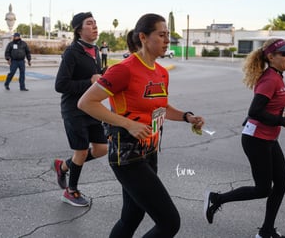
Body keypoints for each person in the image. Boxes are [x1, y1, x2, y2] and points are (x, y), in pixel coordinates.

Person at [77, 13, 205, 237]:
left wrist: (186, 117)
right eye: (162, 35)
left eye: (168, 36)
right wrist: (128, 124)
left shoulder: (161, 73)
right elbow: (86, 102)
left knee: (131, 216)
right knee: (169, 222)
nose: (167, 40)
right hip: (127, 154)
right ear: (144, 37)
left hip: (150, 150)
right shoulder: (124, 69)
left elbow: (160, 108)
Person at [204, 38, 285, 238]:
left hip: (267, 137)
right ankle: (216, 199)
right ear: (271, 57)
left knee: (281, 182)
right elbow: (255, 111)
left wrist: (283, 116)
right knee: (263, 188)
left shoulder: (277, 76)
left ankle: (266, 232)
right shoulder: (270, 78)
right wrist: (282, 122)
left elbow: (267, 108)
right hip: (256, 139)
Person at [52, 12, 108, 207]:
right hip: (73, 109)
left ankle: (64, 165)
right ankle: (71, 191)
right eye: (89, 23)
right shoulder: (71, 52)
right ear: (79, 29)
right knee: (82, 151)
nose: (94, 26)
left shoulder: (96, 51)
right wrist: (89, 82)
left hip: (91, 108)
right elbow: (60, 85)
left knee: (101, 149)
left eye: (95, 23)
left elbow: (94, 77)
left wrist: (102, 77)